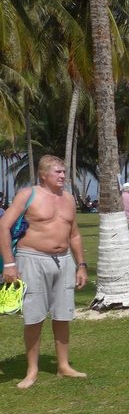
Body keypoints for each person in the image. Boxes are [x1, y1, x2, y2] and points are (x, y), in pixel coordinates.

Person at [0, 155, 88, 389]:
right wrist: (9, 264)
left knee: (63, 315)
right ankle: (32, 370)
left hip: (63, 261)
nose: (63, 176)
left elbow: (74, 234)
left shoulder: (68, 198)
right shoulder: (28, 195)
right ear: (43, 174)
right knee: (34, 316)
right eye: (57, 172)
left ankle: (63, 366)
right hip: (32, 259)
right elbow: (4, 226)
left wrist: (81, 265)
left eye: (64, 172)